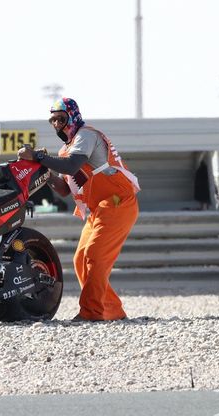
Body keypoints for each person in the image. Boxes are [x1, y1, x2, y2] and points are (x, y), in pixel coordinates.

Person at [18, 98, 140, 321]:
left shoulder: (86, 136)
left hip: (117, 203)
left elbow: (72, 166)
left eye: (61, 119)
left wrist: (38, 156)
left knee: (94, 256)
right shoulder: (67, 148)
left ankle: (91, 313)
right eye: (53, 120)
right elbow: (65, 189)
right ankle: (112, 311)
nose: (57, 124)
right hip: (99, 209)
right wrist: (45, 173)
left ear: (73, 117)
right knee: (80, 259)